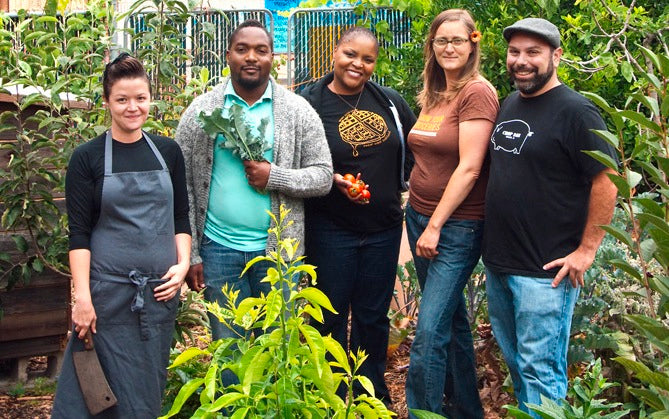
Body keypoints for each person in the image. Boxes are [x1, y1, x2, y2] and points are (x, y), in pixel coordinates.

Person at [482, 18, 618, 416]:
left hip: (546, 270)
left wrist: (588, 249)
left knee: (540, 373)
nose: (521, 61)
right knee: (519, 368)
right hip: (501, 263)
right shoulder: (510, 104)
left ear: (556, 56)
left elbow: (608, 179)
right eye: (514, 52)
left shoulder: (577, 111)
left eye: (533, 53)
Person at [52, 53, 192, 418]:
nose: (133, 107)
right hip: (106, 298)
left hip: (157, 295)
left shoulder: (168, 152)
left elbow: (181, 218)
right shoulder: (88, 158)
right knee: (91, 392)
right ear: (107, 102)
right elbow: (79, 234)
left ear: (150, 98)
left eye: (140, 98)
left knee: (143, 396)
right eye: (122, 99)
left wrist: (181, 267)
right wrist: (82, 298)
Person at [175, 19, 333, 341]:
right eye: (242, 49)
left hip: (278, 253)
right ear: (228, 55)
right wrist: (191, 255)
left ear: (272, 57)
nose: (251, 57)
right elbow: (184, 187)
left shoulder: (297, 111)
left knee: (276, 348)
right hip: (218, 251)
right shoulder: (201, 111)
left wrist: (273, 176)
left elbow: (323, 176)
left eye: (261, 50)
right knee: (230, 348)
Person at [300, 26, 416, 404]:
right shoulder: (309, 103)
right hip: (330, 229)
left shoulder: (391, 103)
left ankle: (371, 398)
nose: (358, 64)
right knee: (328, 316)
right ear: (335, 52)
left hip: (383, 229)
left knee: (372, 317)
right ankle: (330, 398)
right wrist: (330, 179)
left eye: (368, 59)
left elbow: (413, 153)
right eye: (351, 54)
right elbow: (295, 160)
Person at [404, 9, 498, 419]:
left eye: (458, 40)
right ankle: (466, 411)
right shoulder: (436, 91)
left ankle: (422, 412)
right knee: (452, 322)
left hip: (454, 228)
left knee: (427, 334)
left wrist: (437, 225)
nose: (449, 48)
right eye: (441, 40)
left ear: (473, 43)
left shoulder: (476, 92)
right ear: (432, 45)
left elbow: (470, 167)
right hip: (419, 217)